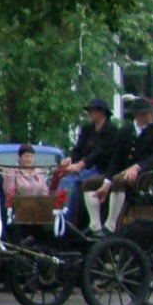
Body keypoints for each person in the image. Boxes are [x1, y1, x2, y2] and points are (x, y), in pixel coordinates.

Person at [83, 97, 153, 235]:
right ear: (138, 115)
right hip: (121, 174)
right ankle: (95, 225)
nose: (152, 116)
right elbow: (115, 158)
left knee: (118, 179)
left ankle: (111, 225)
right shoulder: (125, 131)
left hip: (143, 176)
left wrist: (137, 167)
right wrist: (106, 182)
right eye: (148, 113)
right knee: (89, 184)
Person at [56, 97, 117, 227]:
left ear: (102, 112)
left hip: (101, 169)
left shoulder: (111, 131)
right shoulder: (87, 129)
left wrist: (81, 164)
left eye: (93, 111)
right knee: (63, 181)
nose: (90, 114)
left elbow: (100, 153)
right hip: (85, 168)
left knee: (75, 183)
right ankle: (57, 219)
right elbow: (78, 149)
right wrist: (70, 159)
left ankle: (70, 222)